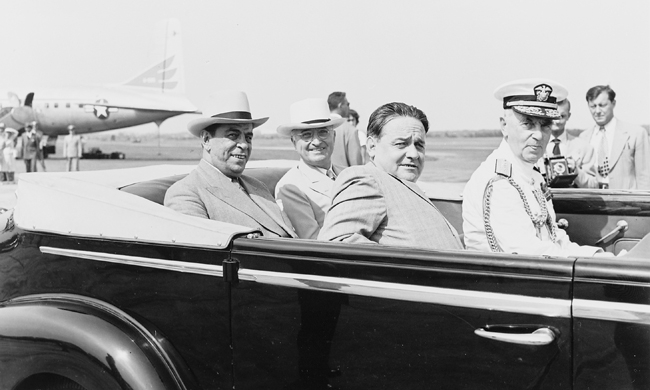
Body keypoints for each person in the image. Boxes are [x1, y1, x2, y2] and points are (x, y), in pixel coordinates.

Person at [462, 79, 603, 257]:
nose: (538, 135)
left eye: (545, 125)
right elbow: (529, 253)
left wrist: (600, 257)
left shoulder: (533, 175)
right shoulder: (499, 181)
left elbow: (555, 239)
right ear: (504, 126)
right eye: (527, 124)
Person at [318, 102, 463, 250]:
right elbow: (336, 243)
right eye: (401, 144)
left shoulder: (401, 184)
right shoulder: (367, 180)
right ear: (372, 147)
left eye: (419, 145)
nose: (413, 154)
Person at [164, 91, 296, 238]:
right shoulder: (185, 193)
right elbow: (201, 253)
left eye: (248, 137)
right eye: (233, 135)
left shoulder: (258, 186)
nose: (244, 145)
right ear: (206, 140)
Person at [275, 98, 346, 239]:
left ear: (334, 136)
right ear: (294, 142)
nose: (317, 141)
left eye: (323, 132)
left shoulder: (347, 173)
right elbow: (313, 243)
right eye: (306, 135)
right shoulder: (291, 187)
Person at [580, 85, 650, 190]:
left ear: (613, 104)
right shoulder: (584, 137)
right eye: (593, 106)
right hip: (593, 201)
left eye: (602, 105)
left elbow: (644, 177)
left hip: (626, 202)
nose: (597, 111)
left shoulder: (636, 134)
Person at [538, 99, 599, 188]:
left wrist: (576, 171)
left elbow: (593, 185)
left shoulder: (584, 147)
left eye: (562, 116)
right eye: (553, 116)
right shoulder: (536, 144)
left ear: (568, 116)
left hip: (573, 200)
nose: (557, 121)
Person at [327, 92, 363, 167]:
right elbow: (356, 166)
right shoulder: (350, 130)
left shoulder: (318, 127)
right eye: (347, 104)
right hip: (343, 177)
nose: (349, 107)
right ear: (340, 105)